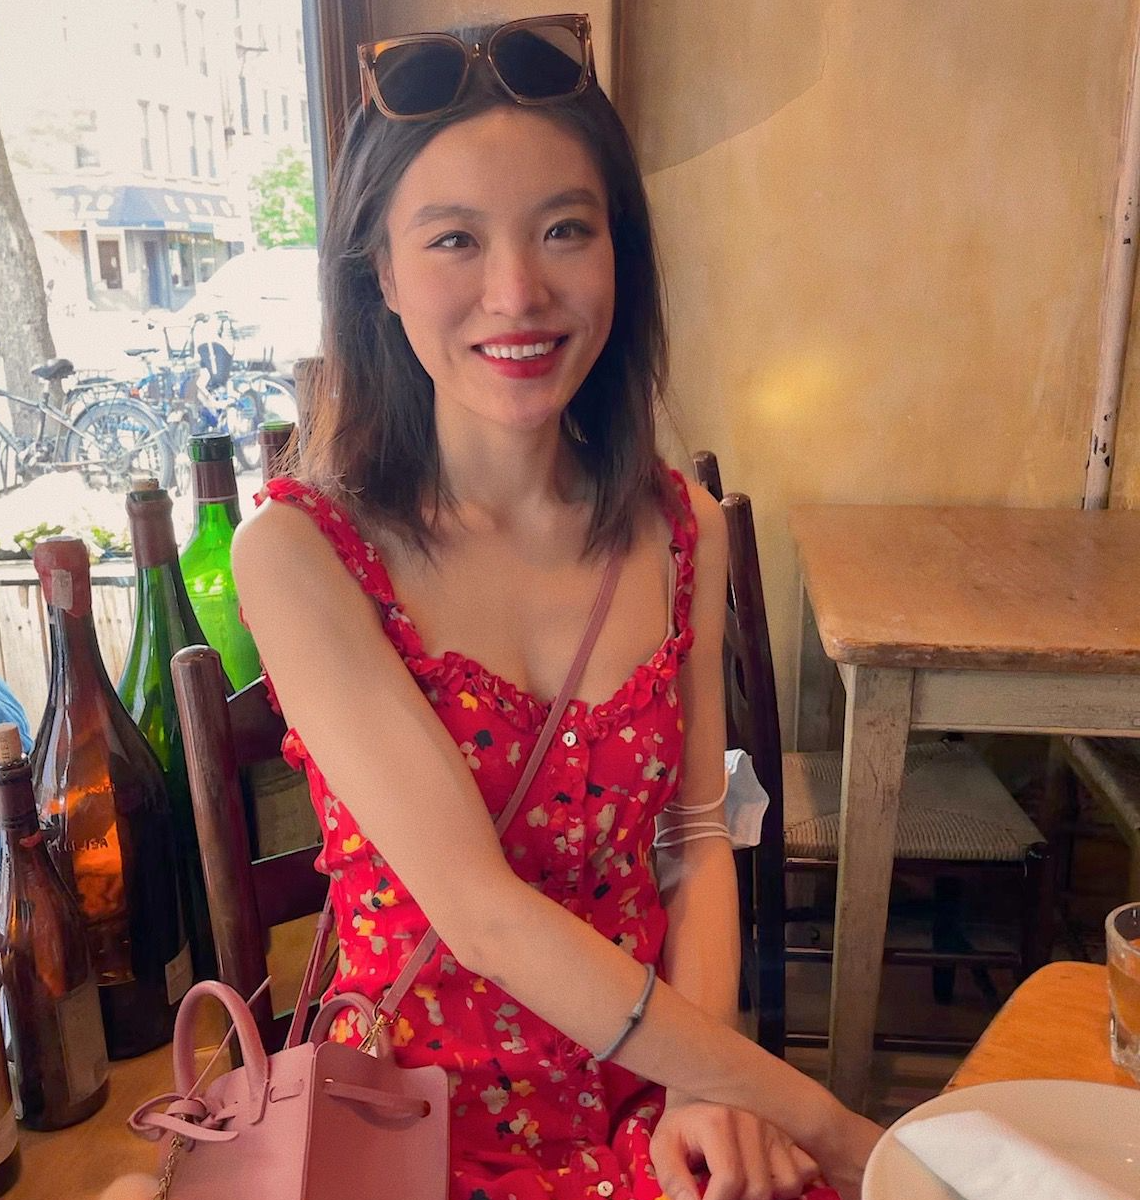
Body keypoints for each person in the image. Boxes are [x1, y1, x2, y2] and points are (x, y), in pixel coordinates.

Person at [233, 15, 881, 1200]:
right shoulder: (299, 554)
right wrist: (824, 1122)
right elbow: (481, 915)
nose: (517, 293)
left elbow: (694, 838)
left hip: (653, 1093)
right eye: (454, 240)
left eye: (565, 230)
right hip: (415, 1128)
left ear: (619, 249)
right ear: (380, 274)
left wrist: (704, 1088)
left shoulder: (684, 530)